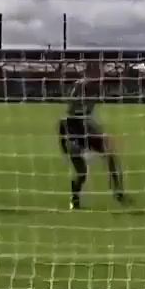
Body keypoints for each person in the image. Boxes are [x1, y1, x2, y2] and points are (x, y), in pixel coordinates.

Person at [57, 61, 126, 210]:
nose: (99, 75)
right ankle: (74, 197)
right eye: (96, 72)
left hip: (88, 126)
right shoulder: (79, 86)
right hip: (74, 128)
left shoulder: (98, 88)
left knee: (111, 154)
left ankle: (118, 191)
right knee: (81, 173)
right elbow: (69, 111)